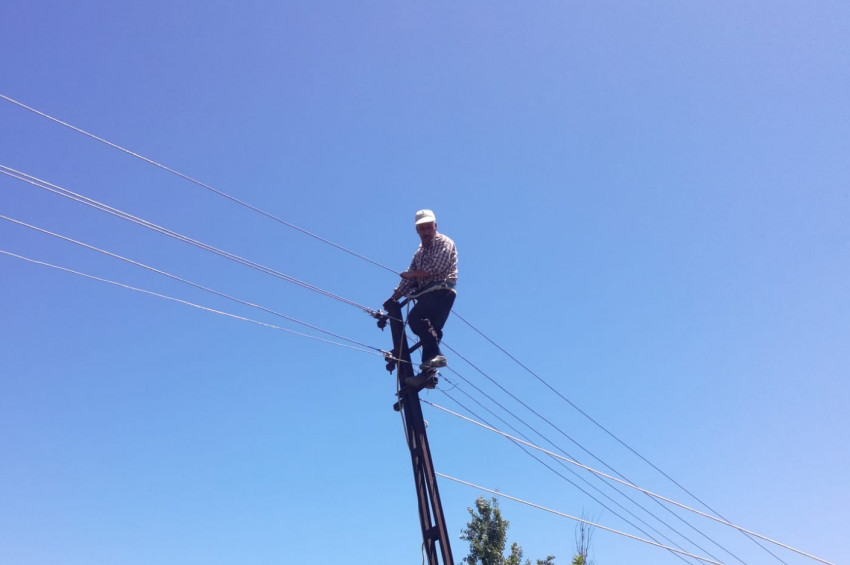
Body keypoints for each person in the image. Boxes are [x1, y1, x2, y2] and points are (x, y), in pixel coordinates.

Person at [385, 209, 458, 380]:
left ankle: (435, 358)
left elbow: (436, 268)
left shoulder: (443, 242)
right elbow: (408, 279)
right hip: (428, 293)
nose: (425, 232)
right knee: (431, 331)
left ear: (435, 226)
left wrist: (413, 275)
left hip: (441, 291)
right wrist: (394, 297)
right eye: (422, 229)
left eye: (428, 228)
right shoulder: (419, 253)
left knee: (416, 318)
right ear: (417, 231)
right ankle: (428, 373)